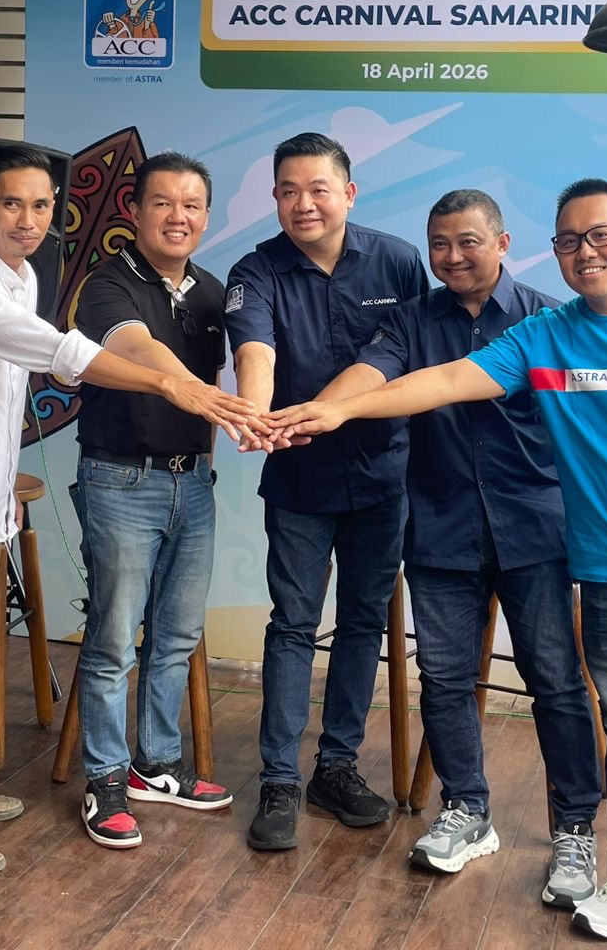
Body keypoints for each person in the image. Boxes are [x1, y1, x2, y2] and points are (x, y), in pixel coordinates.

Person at [265, 178, 607, 950]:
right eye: (571, 241)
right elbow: (441, 381)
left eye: (601, 235)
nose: (587, 252)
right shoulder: (546, 338)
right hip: (601, 569)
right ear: (554, 249)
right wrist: (336, 407)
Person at [0, 144, 253, 877]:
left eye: (41, 205)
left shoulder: (21, 277)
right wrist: (173, 386)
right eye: (12, 204)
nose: (28, 219)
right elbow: (60, 351)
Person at [308, 188, 603, 905]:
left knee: (556, 682)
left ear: (501, 244)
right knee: (443, 679)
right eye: (438, 244)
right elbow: (373, 373)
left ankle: (575, 828)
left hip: (535, 529)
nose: (451, 257)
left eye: (468, 242)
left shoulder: (547, 321)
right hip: (440, 529)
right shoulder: (412, 320)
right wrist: (324, 409)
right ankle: (467, 810)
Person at [223, 131, 428, 851]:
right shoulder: (255, 270)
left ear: (349, 193)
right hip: (299, 478)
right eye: (288, 191)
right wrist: (256, 415)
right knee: (293, 623)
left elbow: (408, 355)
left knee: (364, 622)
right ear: (275, 199)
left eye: (318, 189)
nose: (303, 204)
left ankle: (336, 767)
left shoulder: (398, 261)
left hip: (384, 474)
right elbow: (255, 349)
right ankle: (279, 778)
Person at [71, 152, 240, 849]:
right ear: (134, 211)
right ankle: (105, 779)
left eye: (192, 205)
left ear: (206, 216)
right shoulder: (106, 284)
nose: (178, 217)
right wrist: (190, 390)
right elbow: (136, 348)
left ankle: (157, 765)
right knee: (114, 639)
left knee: (176, 637)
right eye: (163, 203)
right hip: (121, 482)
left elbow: (244, 365)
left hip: (193, 483)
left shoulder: (213, 293)